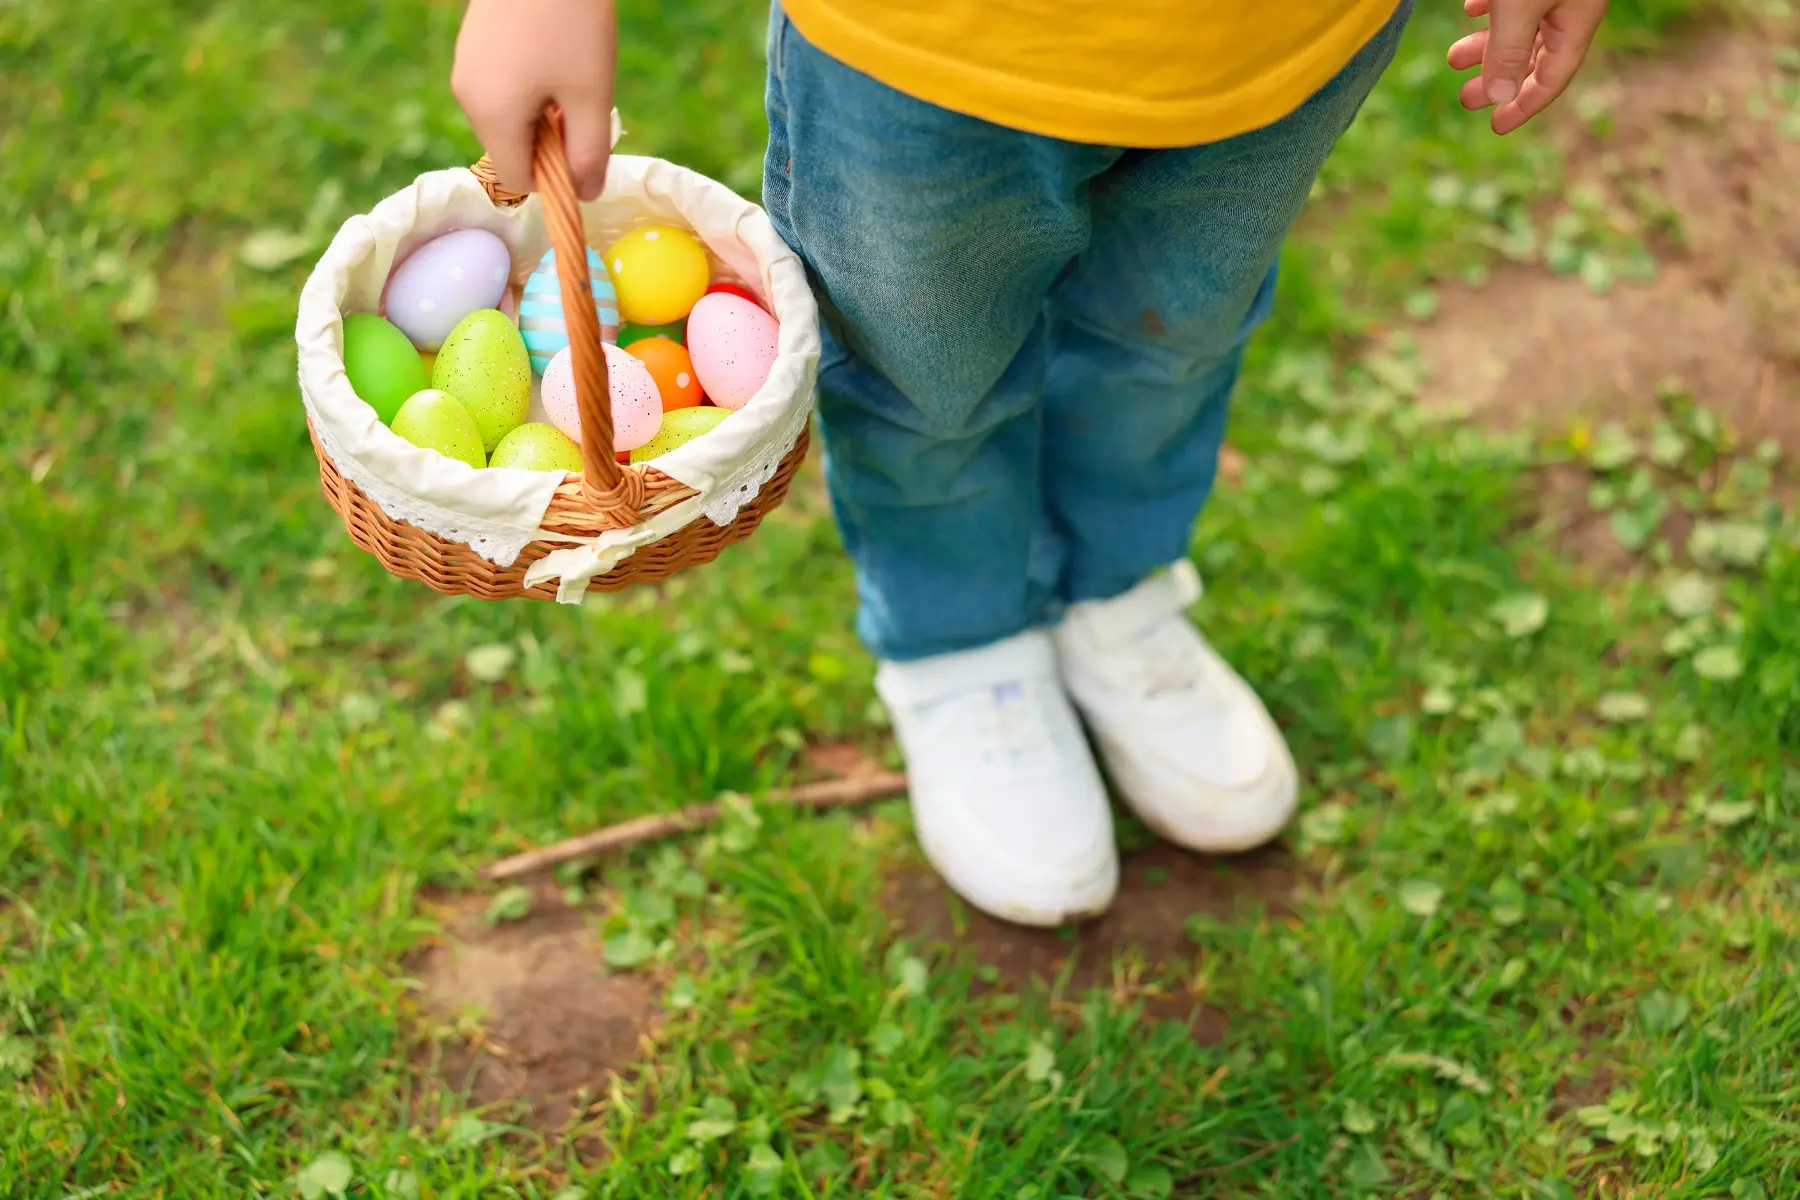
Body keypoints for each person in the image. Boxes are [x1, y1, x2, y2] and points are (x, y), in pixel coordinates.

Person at [453, 0, 1611, 926]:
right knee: (923, 377)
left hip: (1280, 37)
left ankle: (1116, 596)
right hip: (926, 50)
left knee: (1173, 340)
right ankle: (964, 648)